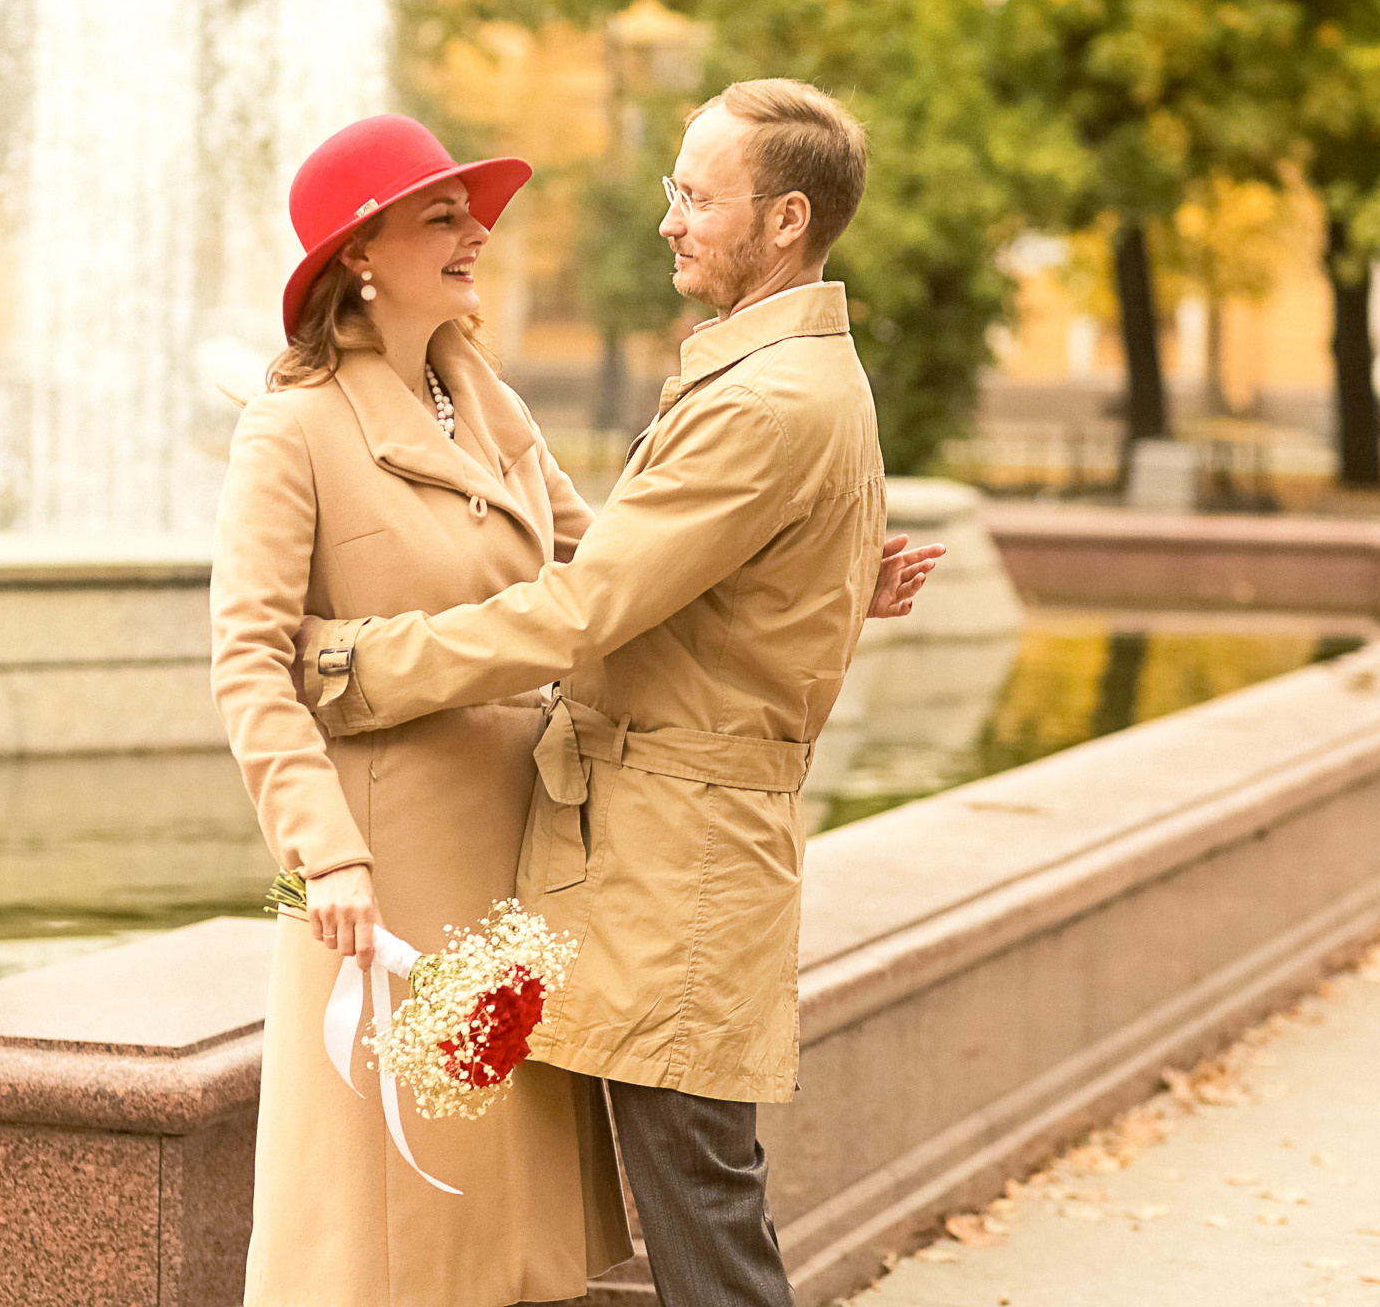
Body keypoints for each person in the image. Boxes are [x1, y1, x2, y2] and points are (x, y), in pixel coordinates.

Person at [300, 79, 929, 1307]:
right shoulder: (786, 377)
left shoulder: (760, 399)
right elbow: (666, 567)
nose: (669, 220)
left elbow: (586, 609)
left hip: (674, 859)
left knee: (702, 1213)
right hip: (665, 847)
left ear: (788, 219)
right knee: (698, 1192)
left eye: (696, 195)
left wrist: (362, 667)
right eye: (672, 190)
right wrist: (825, 590)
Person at [210, 113, 633, 1307]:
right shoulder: (290, 427)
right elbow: (250, 664)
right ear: (360, 251)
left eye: (472, 209)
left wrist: (810, 591)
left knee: (499, 1188)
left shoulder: (487, 400)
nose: (475, 231)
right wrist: (325, 855)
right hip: (382, 865)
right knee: (387, 1208)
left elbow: (604, 570)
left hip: (515, 845)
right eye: (440, 214)